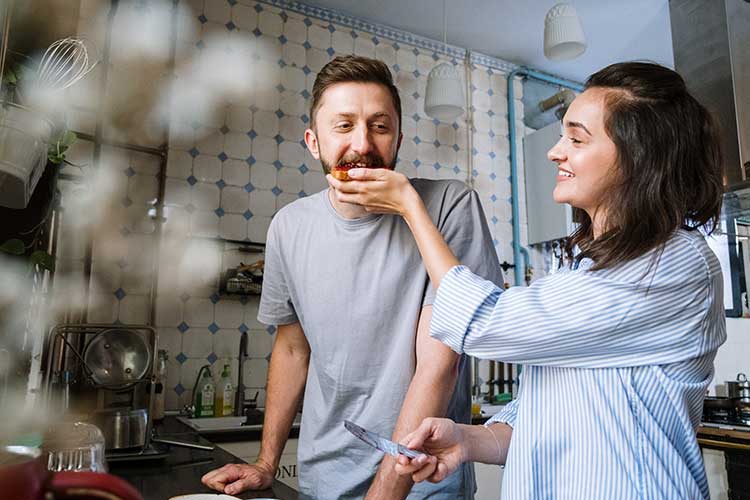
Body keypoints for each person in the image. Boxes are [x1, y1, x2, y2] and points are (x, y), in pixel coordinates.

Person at [326, 61, 727, 499]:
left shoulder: (674, 264)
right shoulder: (581, 267)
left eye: (576, 138)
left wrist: (410, 207)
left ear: (639, 158)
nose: (556, 152)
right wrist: (466, 439)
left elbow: (486, 323)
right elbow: (543, 413)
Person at [201, 55, 501, 499]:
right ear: (313, 141)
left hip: (423, 486)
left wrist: (386, 492)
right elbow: (291, 347)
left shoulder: (450, 207)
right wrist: (266, 462)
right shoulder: (288, 226)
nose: (362, 143)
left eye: (380, 126)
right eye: (343, 126)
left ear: (399, 137)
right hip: (322, 481)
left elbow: (440, 366)